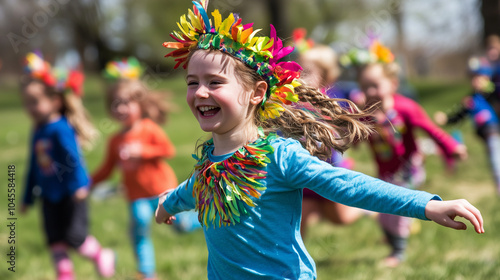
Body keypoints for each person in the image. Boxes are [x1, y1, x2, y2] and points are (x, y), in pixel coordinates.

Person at [155, 1, 483, 279]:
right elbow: (192, 190)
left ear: (256, 94)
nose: (200, 92)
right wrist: (166, 205)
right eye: (192, 81)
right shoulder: (209, 164)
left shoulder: (279, 158)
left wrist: (426, 204)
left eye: (215, 82)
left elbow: (349, 185)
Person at [346, 41, 469, 267]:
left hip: (409, 168)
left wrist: (453, 148)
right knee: (381, 208)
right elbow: (356, 136)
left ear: (393, 83)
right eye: (364, 87)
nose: (370, 92)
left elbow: (432, 130)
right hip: (385, 171)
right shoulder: (366, 114)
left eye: (375, 85)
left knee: (399, 206)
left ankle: (398, 251)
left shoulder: (406, 108)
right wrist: (349, 141)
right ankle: (393, 232)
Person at [91, 57, 198, 280]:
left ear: (140, 104)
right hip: (136, 195)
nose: (120, 108)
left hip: (162, 190)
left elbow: (167, 150)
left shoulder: (149, 129)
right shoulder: (115, 140)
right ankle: (148, 273)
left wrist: (142, 152)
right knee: (139, 227)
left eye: (126, 102)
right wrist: (87, 183)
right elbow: (107, 169)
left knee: (182, 226)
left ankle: (202, 217)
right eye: (115, 103)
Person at [20, 52, 115, 280]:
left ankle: (102, 255)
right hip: (49, 196)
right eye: (27, 103)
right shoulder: (38, 130)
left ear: (55, 100)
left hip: (72, 195)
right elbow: (34, 166)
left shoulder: (60, 128)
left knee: (75, 239)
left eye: (35, 102)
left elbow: (74, 159)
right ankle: (65, 276)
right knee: (55, 241)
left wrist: (79, 186)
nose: (30, 108)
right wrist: (26, 197)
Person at [293, 29, 364, 236]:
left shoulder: (329, 101)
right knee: (298, 220)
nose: (299, 77)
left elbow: (350, 117)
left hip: (328, 171)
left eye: (306, 72)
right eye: (297, 71)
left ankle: (365, 209)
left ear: (324, 77)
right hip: (302, 174)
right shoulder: (291, 99)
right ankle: (290, 265)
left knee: (340, 218)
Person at [435, 56, 500, 194]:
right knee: (494, 159)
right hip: (485, 135)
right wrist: (446, 119)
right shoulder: (471, 100)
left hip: (494, 132)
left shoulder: (493, 94)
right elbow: (460, 115)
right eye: (473, 78)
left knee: (496, 159)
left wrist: (491, 89)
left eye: (480, 77)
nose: (476, 81)